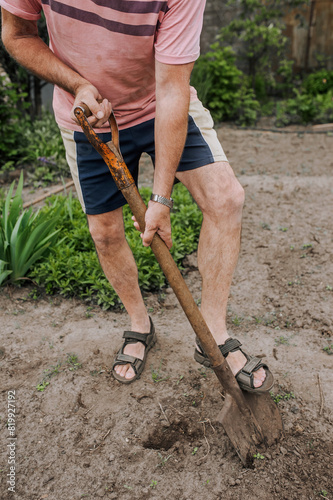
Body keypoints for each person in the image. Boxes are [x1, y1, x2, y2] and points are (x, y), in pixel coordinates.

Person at [1, 0, 273, 391]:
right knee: (105, 233)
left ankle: (212, 331)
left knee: (225, 198)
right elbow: (17, 34)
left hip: (161, 102)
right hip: (87, 118)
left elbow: (172, 90)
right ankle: (140, 325)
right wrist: (77, 84)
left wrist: (160, 200)